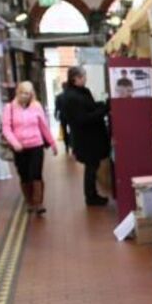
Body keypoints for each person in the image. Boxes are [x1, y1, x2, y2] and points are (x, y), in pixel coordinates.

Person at [1, 81, 58, 214]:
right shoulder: (9, 108)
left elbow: (43, 126)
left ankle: (38, 203)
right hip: (19, 148)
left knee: (36, 173)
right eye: (22, 93)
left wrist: (52, 143)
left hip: (36, 145)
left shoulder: (36, 106)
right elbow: (6, 128)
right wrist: (15, 143)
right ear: (17, 92)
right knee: (24, 175)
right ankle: (30, 202)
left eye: (27, 93)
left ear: (31, 94)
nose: (25, 96)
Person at [63, 66, 110, 206]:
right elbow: (83, 118)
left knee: (92, 166)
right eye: (83, 76)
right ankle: (91, 197)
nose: (85, 79)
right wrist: (104, 109)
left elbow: (91, 107)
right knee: (91, 166)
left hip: (91, 137)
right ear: (75, 78)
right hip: (86, 138)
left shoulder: (82, 92)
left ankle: (92, 195)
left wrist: (101, 105)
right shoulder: (72, 97)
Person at [54, 81, 71, 154]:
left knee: (64, 130)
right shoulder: (71, 96)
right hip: (71, 115)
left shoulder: (59, 97)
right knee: (72, 130)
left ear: (62, 87)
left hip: (62, 116)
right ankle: (72, 143)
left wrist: (55, 115)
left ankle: (66, 145)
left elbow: (57, 107)